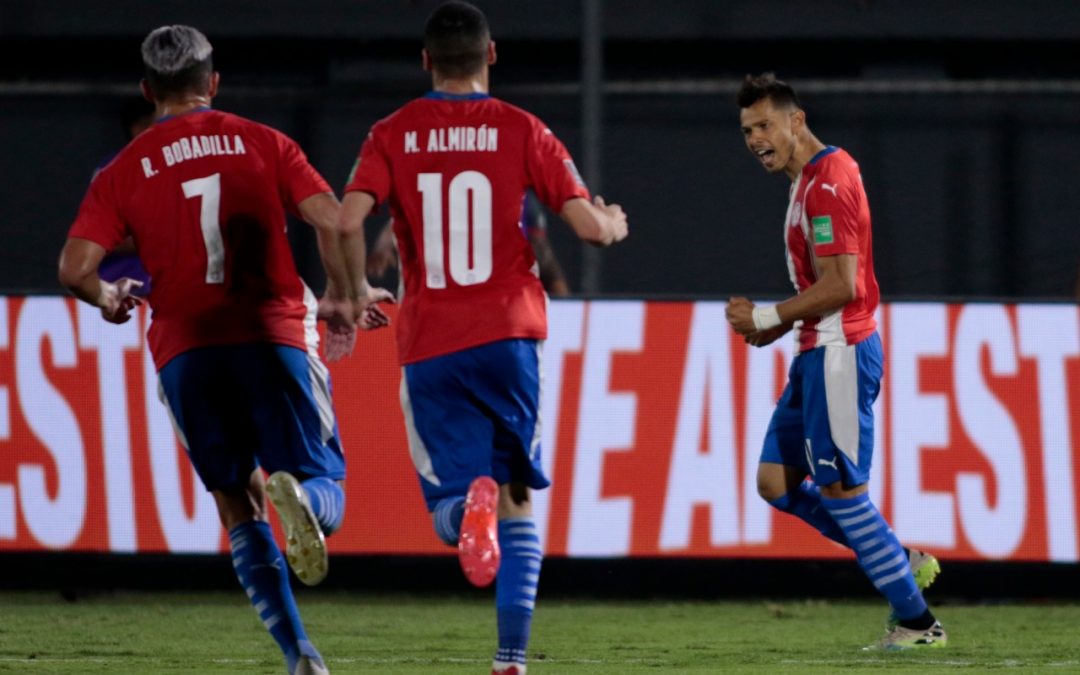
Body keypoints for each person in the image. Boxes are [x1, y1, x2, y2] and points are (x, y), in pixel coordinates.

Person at [58, 25, 391, 675]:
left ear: (147, 91)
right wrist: (345, 292)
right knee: (327, 485)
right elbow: (336, 219)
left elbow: (74, 267)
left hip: (186, 350)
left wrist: (108, 297)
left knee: (237, 502)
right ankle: (306, 503)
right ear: (214, 84)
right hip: (271, 332)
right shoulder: (263, 141)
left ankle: (300, 655)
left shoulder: (121, 170)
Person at [339, 3, 627, 673]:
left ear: (425, 62)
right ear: (491, 54)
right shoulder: (524, 129)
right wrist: (613, 221)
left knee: (450, 501)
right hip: (511, 337)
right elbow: (586, 227)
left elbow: (348, 219)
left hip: (432, 341)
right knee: (520, 493)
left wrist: (351, 292)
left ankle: (470, 508)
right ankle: (509, 661)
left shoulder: (393, 132)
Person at [725, 73, 947, 650]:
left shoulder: (826, 183)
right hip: (814, 354)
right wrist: (781, 328)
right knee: (775, 483)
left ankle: (919, 624)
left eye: (765, 124)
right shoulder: (807, 180)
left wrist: (771, 317)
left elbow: (843, 285)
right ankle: (896, 556)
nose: (755, 139)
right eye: (748, 129)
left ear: (796, 120)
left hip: (839, 355)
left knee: (844, 494)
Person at [369, 190, 572, 297]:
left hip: (475, 303)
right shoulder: (457, 193)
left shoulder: (522, 199)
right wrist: (384, 243)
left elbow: (544, 257)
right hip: (484, 305)